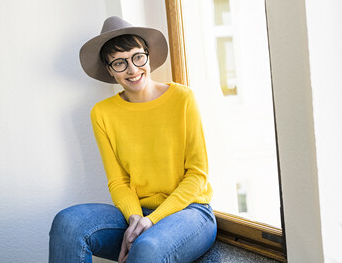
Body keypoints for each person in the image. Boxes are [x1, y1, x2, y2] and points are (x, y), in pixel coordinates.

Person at [49, 16, 216, 263]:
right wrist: (135, 219)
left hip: (189, 211)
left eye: (137, 56)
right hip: (135, 214)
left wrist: (151, 222)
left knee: (147, 247)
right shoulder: (102, 113)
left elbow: (197, 175)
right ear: (109, 69)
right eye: (119, 62)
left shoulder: (183, 99)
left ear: (147, 55)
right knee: (68, 223)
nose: (132, 69)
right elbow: (118, 182)